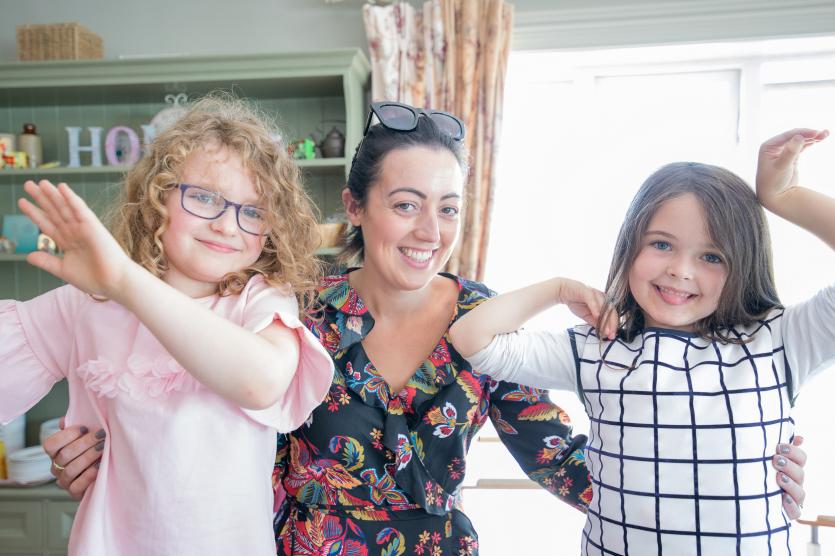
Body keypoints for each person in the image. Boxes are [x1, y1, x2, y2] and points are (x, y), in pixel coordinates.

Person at [41, 102, 809, 555]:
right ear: (354, 207)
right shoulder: (289, 306)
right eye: (404, 203)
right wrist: (103, 453)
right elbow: (191, 414)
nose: (428, 230)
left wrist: (723, 474)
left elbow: (562, 459)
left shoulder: (487, 318)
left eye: (446, 207)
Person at [449, 128, 832, 554]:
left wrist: (785, 194)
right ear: (630, 246)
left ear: (744, 263)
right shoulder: (599, 347)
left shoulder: (779, 341)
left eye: (711, 256)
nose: (680, 270)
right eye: (661, 244)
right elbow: (472, 337)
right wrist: (556, 289)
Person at [0, 97, 335, 556]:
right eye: (203, 197)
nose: (226, 225)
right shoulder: (90, 302)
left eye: (253, 212)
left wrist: (124, 281)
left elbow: (261, 382)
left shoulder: (260, 300)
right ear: (157, 196)